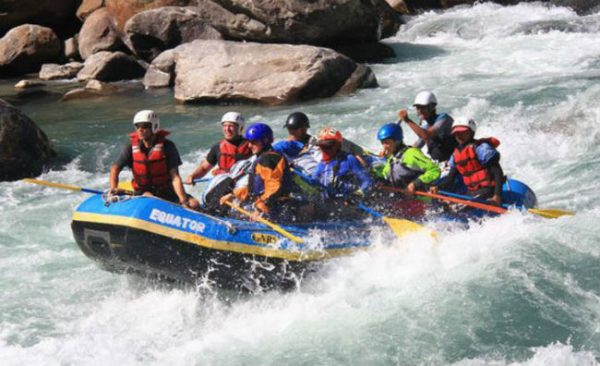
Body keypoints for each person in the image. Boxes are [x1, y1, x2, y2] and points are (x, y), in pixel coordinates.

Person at [219, 123, 312, 222]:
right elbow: (255, 189)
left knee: (233, 213)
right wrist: (235, 195)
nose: (250, 146)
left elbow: (274, 188)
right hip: (271, 205)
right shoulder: (263, 157)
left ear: (265, 141)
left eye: (253, 142)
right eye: (249, 142)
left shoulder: (269, 159)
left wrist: (260, 209)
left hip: (281, 208)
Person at [110, 110, 199, 209]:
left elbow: (175, 177)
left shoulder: (168, 146)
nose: (140, 129)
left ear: (154, 126)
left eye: (144, 126)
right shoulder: (130, 147)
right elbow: (115, 169)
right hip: (144, 191)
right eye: (137, 126)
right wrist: (114, 189)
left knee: (194, 204)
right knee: (152, 200)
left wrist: (183, 201)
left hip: (167, 190)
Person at [432, 119, 504, 205]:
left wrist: (497, 196)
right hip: (471, 193)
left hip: (488, 191)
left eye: (463, 132)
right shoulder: (456, 155)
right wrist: (437, 187)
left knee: (458, 209)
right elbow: (450, 179)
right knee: (445, 206)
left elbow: (497, 172)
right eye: (457, 133)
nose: (459, 135)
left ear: (471, 132)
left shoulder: (481, 148)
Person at [311, 127, 373, 220]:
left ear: (338, 145)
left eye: (330, 146)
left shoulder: (349, 160)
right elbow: (312, 185)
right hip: (329, 206)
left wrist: (358, 194)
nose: (326, 149)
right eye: (323, 146)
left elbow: (367, 181)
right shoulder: (321, 166)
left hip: (349, 205)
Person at [184, 111, 251, 184]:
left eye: (231, 126)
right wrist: (192, 176)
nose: (227, 129)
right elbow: (204, 168)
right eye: (225, 126)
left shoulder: (251, 145)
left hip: (243, 181)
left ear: (240, 128)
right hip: (223, 182)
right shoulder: (218, 147)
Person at [375, 123, 441, 194]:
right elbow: (385, 176)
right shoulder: (391, 159)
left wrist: (415, 184)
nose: (384, 146)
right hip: (402, 200)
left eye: (387, 142)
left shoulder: (411, 154)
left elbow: (434, 170)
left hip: (421, 199)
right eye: (382, 143)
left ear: (397, 141)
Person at [398, 91, 457, 162]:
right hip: (440, 162)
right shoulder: (425, 127)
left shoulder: (444, 119)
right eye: (418, 108)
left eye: (423, 107)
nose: (420, 111)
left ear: (432, 107)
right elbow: (417, 146)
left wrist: (407, 120)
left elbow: (427, 135)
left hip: (455, 160)